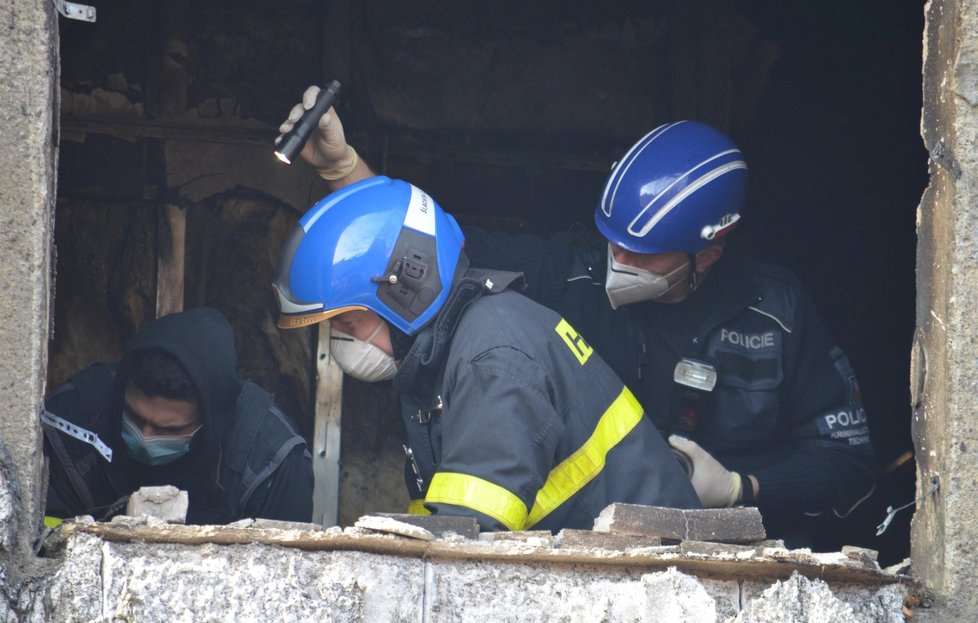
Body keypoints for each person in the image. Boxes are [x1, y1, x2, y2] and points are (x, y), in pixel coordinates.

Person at [278, 88, 876, 545]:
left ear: (709, 253)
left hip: (746, 561)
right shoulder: (568, 278)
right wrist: (344, 171)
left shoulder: (778, 313)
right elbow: (424, 264)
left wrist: (741, 490)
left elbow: (846, 465)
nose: (618, 259)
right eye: (611, 240)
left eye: (641, 252)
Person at [272, 176, 700, 532]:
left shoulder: (493, 358)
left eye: (349, 325)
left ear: (405, 294)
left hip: (659, 591)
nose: (346, 344)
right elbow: (435, 516)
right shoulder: (438, 361)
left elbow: (466, 537)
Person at [42, 307, 313, 525]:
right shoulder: (68, 425)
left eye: (169, 430)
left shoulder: (269, 464)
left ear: (212, 420)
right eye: (134, 418)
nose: (145, 437)